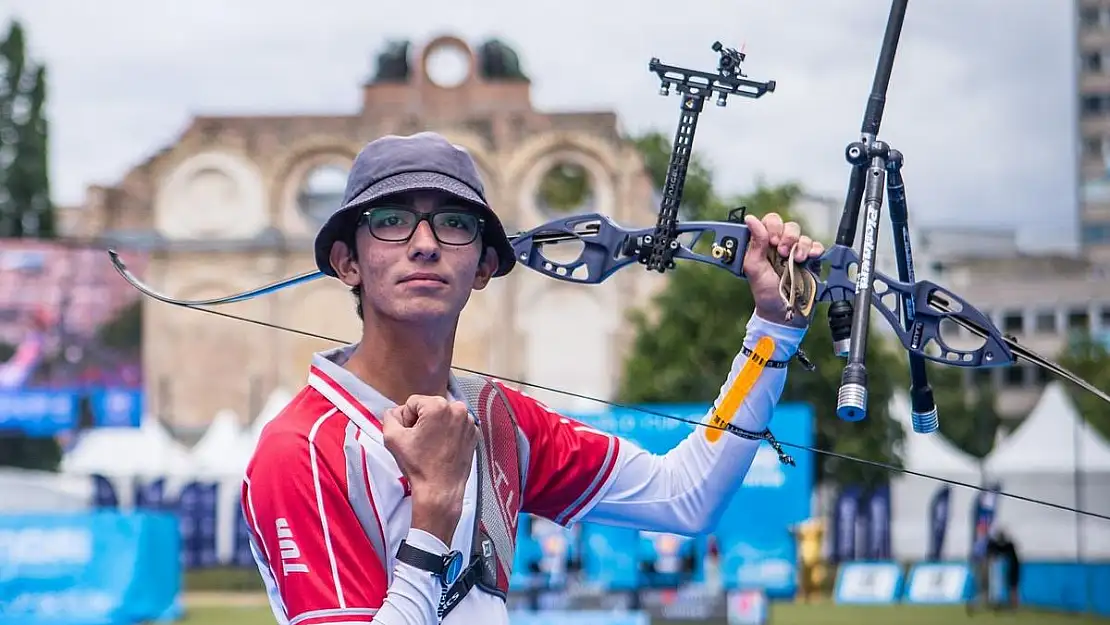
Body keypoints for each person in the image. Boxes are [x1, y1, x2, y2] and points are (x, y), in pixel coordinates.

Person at [240, 131, 824, 625]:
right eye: (391, 222)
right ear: (347, 262)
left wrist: (774, 330)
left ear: (485, 267)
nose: (424, 244)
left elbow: (685, 497)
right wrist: (435, 510)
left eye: (454, 224)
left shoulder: (499, 421)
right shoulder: (300, 448)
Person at [987, 529, 1021, 610]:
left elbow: (999, 551)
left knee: (1013, 586)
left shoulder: (1008, 546)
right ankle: (1013, 604)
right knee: (1012, 586)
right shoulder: (1008, 546)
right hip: (1012, 567)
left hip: (1013, 568)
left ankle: (1014, 604)